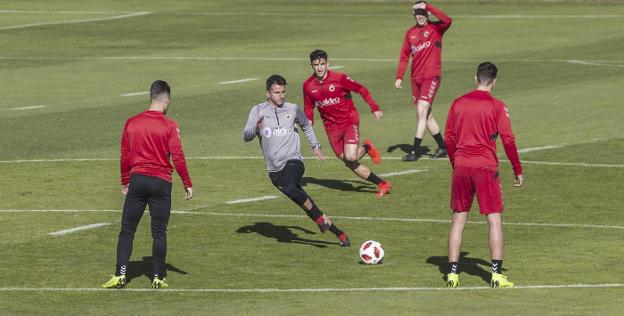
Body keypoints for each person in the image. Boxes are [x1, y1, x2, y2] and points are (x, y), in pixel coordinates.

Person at [102, 80, 193, 289]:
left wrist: (125, 180)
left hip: (138, 180)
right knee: (159, 232)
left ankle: (120, 275)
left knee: (127, 229)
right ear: (166, 100)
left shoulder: (132, 123)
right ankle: (159, 277)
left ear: (151, 97)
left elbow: (125, 155)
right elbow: (177, 156)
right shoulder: (170, 125)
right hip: (161, 183)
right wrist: (186, 182)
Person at [244, 74, 350, 247]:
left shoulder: (292, 109)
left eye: (283, 92)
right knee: (304, 202)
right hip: (274, 171)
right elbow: (246, 136)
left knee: (291, 187)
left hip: (294, 161)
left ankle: (319, 220)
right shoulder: (257, 111)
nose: (281, 95)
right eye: (277, 92)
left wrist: (315, 145)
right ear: (268, 94)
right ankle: (339, 233)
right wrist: (256, 128)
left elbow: (306, 124)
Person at [443, 62, 524, 288]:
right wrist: (517, 169)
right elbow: (508, 139)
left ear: (475, 78)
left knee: (458, 219)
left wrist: (455, 162)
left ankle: (452, 274)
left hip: (461, 166)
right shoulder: (497, 106)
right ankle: (496, 276)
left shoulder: (458, 103)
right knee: (494, 219)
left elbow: (448, 138)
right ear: (494, 81)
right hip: (485, 168)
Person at [303, 49, 392, 197]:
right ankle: (383, 184)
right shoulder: (308, 86)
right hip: (331, 129)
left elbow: (361, 89)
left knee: (351, 156)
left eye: (322, 64)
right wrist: (309, 120)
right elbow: (308, 106)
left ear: (327, 63)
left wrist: (374, 108)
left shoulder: (339, 78)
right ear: (311, 66)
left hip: (349, 122)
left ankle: (367, 146)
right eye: (316, 65)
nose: (319, 68)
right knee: (349, 162)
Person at [395, 1, 452, 161]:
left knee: (421, 110)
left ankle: (414, 151)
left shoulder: (436, 28)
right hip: (415, 80)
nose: (420, 16)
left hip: (431, 76)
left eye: (423, 13)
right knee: (426, 116)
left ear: (427, 14)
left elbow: (448, 20)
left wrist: (428, 6)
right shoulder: (410, 33)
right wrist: (399, 76)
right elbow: (404, 56)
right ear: (414, 15)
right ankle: (442, 147)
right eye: (418, 13)